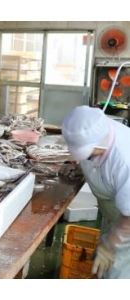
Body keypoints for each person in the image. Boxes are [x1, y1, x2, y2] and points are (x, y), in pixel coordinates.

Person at [62, 105, 130, 279]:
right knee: (103, 267)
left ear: (101, 141)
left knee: (118, 271)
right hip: (114, 210)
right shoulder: (95, 130)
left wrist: (110, 246)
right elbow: (91, 158)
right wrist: (80, 168)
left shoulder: (124, 160)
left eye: (89, 154)